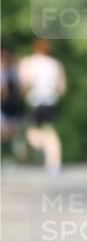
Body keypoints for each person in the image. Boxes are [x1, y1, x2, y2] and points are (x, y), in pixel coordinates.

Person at [18, 38, 66, 175]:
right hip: (50, 101)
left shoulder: (29, 62)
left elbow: (24, 83)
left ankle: (43, 147)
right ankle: (54, 162)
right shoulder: (55, 64)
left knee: (32, 132)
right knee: (50, 132)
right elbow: (61, 87)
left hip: (35, 101)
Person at [1, 42, 24, 144]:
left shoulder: (15, 67)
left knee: (14, 131)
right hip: (8, 102)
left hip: (11, 102)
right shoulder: (15, 66)